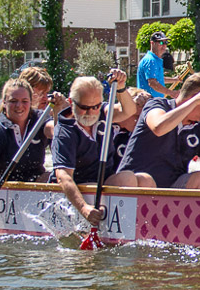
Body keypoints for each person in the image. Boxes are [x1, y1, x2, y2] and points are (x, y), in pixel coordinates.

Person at [115, 73, 200, 189]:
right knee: (145, 181)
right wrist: (195, 101)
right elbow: (158, 127)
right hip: (133, 183)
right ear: (195, 99)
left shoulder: (199, 129)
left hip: (171, 189)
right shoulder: (157, 105)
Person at [51, 75, 145, 226]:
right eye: (84, 108)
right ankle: (126, 226)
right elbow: (63, 176)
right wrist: (83, 208)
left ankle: (145, 224)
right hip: (81, 189)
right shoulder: (64, 132)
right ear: (70, 103)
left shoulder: (104, 114)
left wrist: (121, 87)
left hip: (102, 183)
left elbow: (129, 110)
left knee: (145, 179)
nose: (91, 113)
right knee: (126, 178)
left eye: (95, 107)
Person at [0, 80, 60, 224]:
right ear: (4, 103)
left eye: (24, 101)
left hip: (33, 183)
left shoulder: (40, 120)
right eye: (13, 101)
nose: (19, 106)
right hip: (1, 188)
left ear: (31, 102)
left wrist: (58, 112)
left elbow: (56, 131)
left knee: (60, 176)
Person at [135, 30, 171, 97]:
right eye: (160, 42)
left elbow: (158, 79)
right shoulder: (151, 60)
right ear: (152, 43)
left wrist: (174, 79)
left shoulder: (156, 60)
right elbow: (153, 83)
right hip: (149, 103)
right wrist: (171, 93)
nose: (164, 45)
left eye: (165, 42)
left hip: (155, 102)